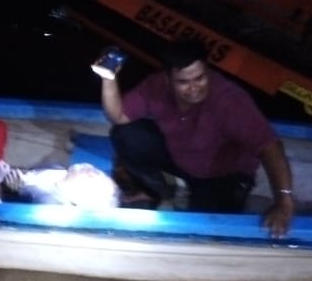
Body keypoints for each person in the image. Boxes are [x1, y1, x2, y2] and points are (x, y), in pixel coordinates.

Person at [98, 38, 294, 239]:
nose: (193, 88)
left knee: (202, 231)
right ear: (167, 78)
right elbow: (118, 116)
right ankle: (162, 192)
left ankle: (185, 196)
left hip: (223, 177)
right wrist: (109, 77)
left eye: (199, 78)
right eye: (183, 82)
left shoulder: (231, 102)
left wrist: (284, 202)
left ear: (207, 70)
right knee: (125, 133)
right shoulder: (157, 85)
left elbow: (270, 148)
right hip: (182, 160)